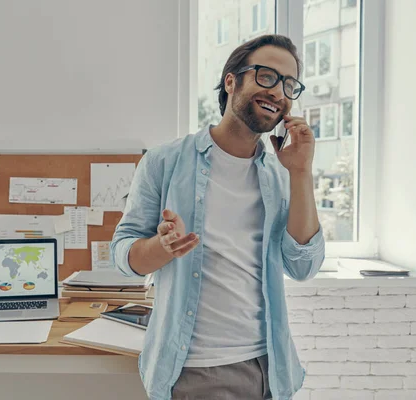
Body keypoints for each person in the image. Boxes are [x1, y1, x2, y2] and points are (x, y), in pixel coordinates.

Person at [110, 34, 325, 400]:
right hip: (195, 370)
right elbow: (123, 256)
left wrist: (301, 172)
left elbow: (302, 266)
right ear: (231, 81)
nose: (278, 92)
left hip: (270, 368)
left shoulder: (281, 175)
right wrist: (162, 248)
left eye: (289, 84)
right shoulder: (165, 162)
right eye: (266, 76)